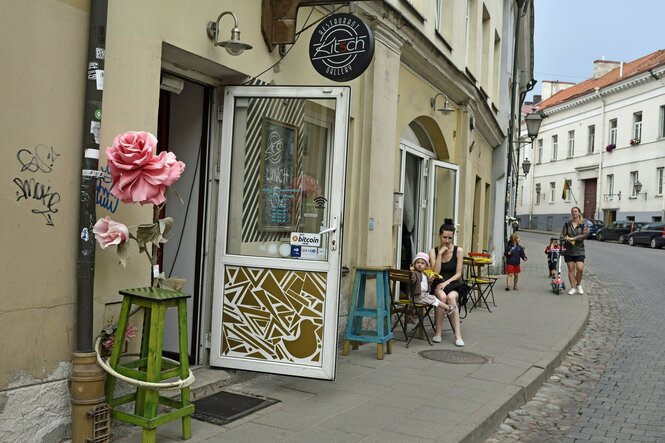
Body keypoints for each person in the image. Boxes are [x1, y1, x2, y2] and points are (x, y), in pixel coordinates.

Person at [428, 219, 465, 347]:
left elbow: (458, 273)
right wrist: (439, 255)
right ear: (439, 235)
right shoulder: (433, 251)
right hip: (438, 283)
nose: (447, 241)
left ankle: (458, 335)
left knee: (450, 297)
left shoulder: (458, 251)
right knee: (442, 297)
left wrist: (447, 282)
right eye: (444, 237)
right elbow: (435, 272)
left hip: (453, 283)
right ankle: (438, 333)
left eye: (450, 238)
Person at [409, 252, 455, 316]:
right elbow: (412, 281)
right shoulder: (415, 273)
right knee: (433, 299)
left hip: (423, 295)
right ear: (414, 264)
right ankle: (448, 308)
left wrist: (430, 281)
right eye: (417, 262)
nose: (419, 264)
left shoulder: (425, 274)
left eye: (422, 263)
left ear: (426, 266)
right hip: (417, 297)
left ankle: (448, 308)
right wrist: (411, 272)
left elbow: (425, 285)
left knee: (434, 298)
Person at [561, 206, 589, 295]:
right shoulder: (567, 224)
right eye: (572, 211)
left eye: (576, 211)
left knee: (580, 268)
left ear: (579, 213)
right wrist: (566, 238)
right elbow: (562, 235)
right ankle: (573, 287)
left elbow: (585, 235)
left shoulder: (583, 224)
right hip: (569, 250)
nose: (574, 213)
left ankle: (578, 284)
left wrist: (573, 238)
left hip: (579, 250)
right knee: (571, 269)